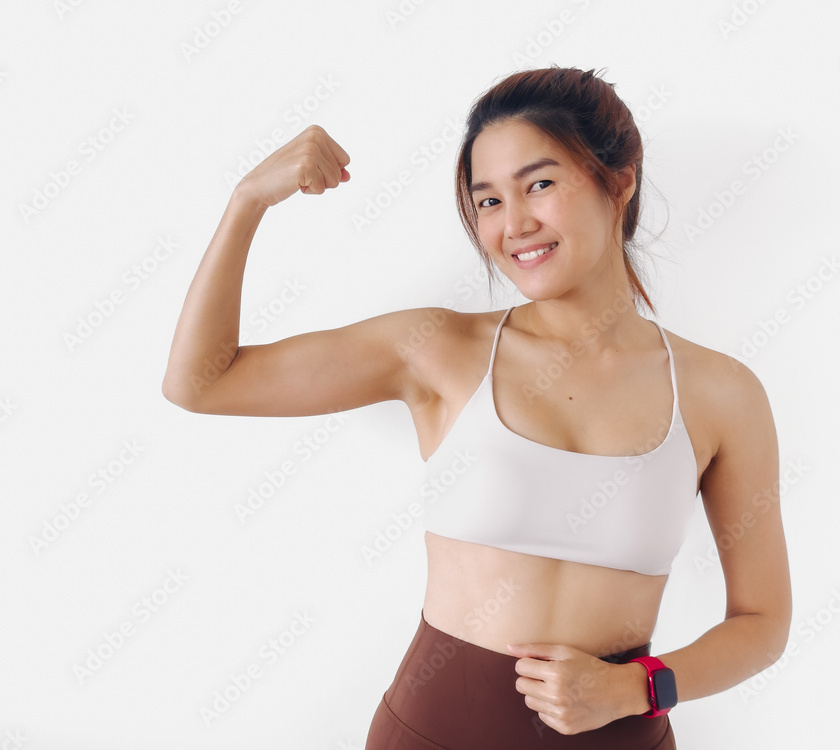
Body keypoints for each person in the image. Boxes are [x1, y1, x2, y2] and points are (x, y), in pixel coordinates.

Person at [162, 67, 791, 748]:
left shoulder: (722, 393)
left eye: (539, 184)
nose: (514, 224)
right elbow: (201, 382)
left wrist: (636, 687)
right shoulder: (435, 351)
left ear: (619, 181)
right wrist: (248, 200)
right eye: (488, 200)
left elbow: (762, 623)